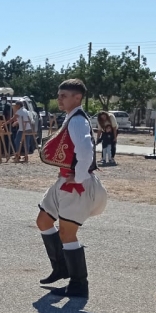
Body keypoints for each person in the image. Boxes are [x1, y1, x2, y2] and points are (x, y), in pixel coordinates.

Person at [36, 79, 108, 298]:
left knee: (68, 232)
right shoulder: (71, 118)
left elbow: (86, 150)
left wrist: (78, 177)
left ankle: (78, 284)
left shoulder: (77, 120)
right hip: (64, 181)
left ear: (77, 98)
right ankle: (61, 267)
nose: (59, 99)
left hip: (76, 184)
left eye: (64, 95)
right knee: (44, 220)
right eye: (59, 95)